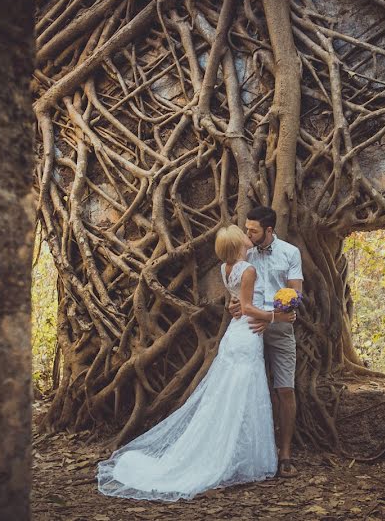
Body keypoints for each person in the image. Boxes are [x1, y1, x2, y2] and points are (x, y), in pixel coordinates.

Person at [96, 224, 292, 501]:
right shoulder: (248, 270)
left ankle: (234, 452)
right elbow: (246, 308)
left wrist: (244, 308)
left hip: (235, 335)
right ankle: (233, 456)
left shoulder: (226, 269)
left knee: (229, 394)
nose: (249, 236)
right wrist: (276, 317)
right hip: (247, 335)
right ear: (238, 244)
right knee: (243, 394)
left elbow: (233, 304)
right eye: (244, 234)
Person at [229, 206, 303, 478]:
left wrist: (272, 317)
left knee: (285, 389)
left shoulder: (290, 253)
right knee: (247, 389)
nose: (247, 233)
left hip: (280, 328)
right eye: (246, 228)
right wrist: (235, 304)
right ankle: (248, 453)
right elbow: (236, 290)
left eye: (253, 230)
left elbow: (296, 295)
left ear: (269, 230)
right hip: (250, 328)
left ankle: (284, 454)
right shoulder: (244, 252)